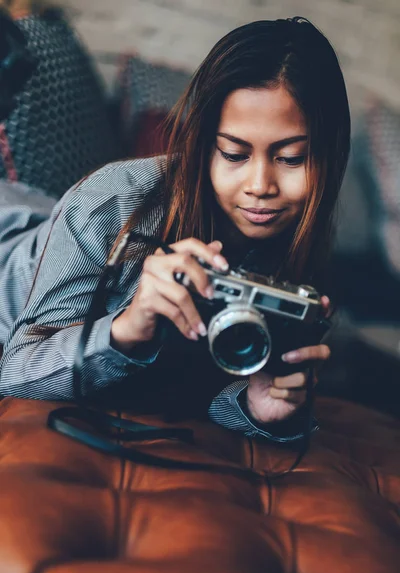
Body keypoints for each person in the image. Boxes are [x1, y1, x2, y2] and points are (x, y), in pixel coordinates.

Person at [0, 17, 350, 441]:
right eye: (234, 154)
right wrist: (126, 330)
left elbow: (196, 387)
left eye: (292, 158)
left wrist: (254, 406)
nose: (260, 186)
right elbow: (16, 371)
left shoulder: (301, 243)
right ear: (201, 146)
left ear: (331, 156)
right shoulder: (113, 203)